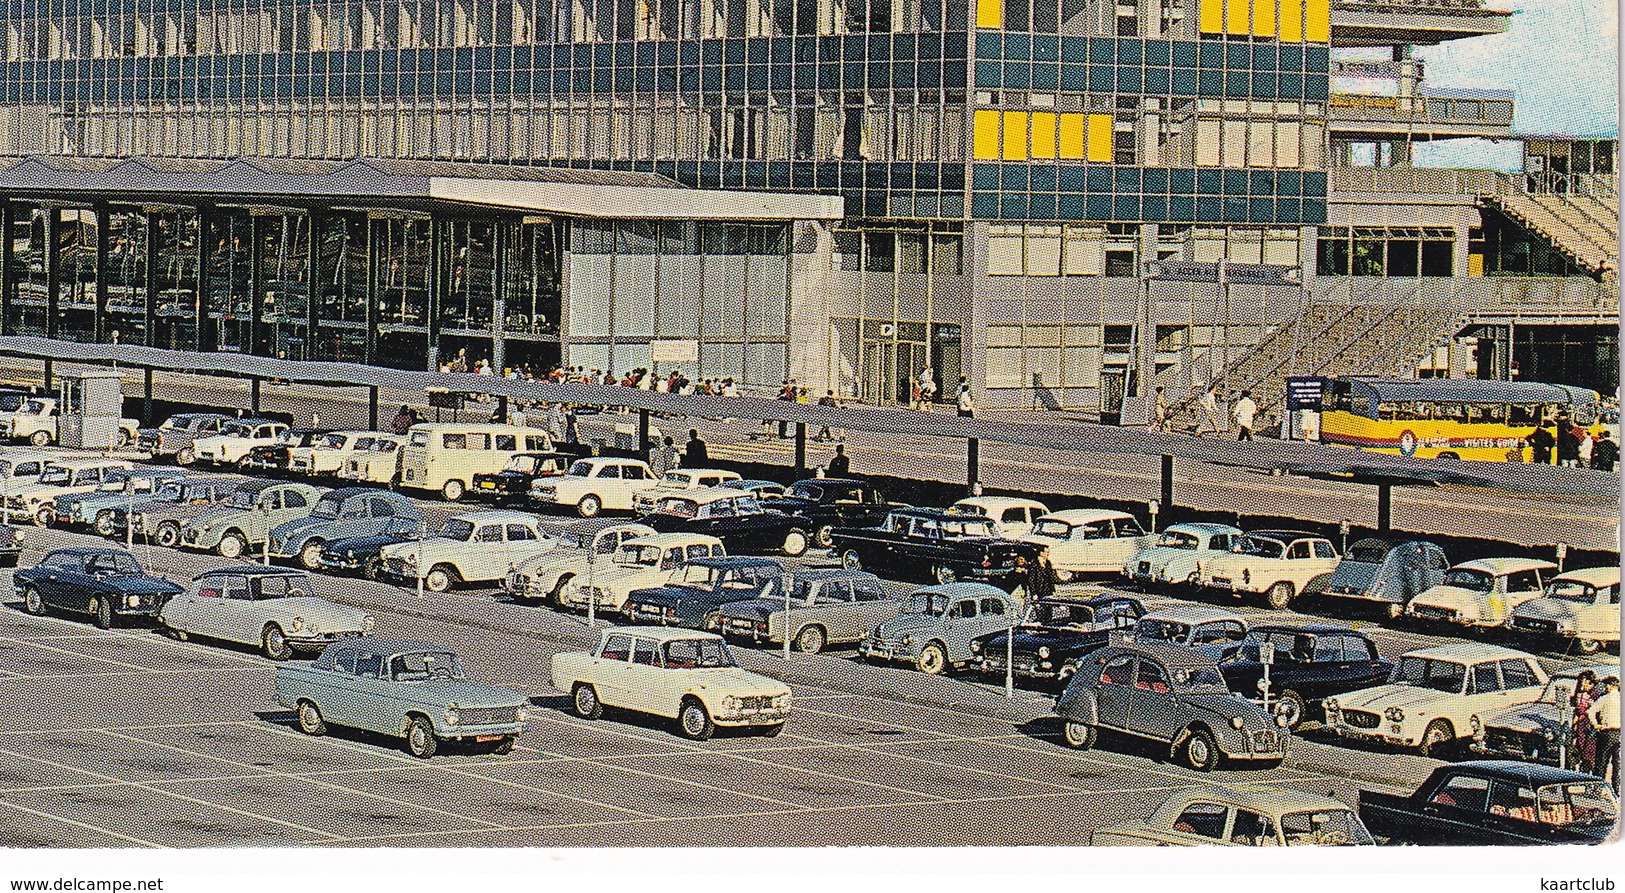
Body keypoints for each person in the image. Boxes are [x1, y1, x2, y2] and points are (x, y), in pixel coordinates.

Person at [1587, 676, 1619, 788]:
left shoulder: (1605, 698)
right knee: (1618, 764)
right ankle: (1616, 790)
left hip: (1606, 733)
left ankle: (1597, 788)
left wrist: (1596, 725)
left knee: (1601, 761)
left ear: (1609, 686)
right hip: (1620, 733)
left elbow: (1591, 711)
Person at [1572, 670, 1600, 775]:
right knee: (1580, 746)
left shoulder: (1596, 695)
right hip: (1581, 724)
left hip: (1590, 726)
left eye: (1584, 682)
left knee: (1589, 750)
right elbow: (1577, 708)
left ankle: (1589, 772)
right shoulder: (1579, 693)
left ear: (1591, 683)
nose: (1581, 685)